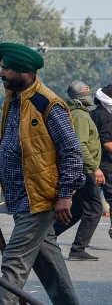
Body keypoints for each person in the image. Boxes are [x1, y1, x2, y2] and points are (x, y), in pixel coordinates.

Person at [0, 42, 84, 305]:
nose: (1, 73)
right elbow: (12, 149)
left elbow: (72, 151)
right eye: (1, 67)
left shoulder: (47, 104)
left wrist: (65, 195)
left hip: (38, 199)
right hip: (21, 200)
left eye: (6, 69)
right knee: (50, 267)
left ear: (24, 71)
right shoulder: (14, 101)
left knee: (14, 260)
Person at [52, 80, 104, 260]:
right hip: (84, 168)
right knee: (95, 209)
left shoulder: (76, 113)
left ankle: (47, 236)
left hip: (81, 167)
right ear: (81, 98)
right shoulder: (80, 116)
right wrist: (94, 168)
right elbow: (80, 146)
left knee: (79, 208)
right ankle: (78, 249)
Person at [90, 83, 112, 239]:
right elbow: (107, 142)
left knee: (86, 204)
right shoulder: (104, 115)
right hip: (104, 162)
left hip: (97, 161)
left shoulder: (96, 113)